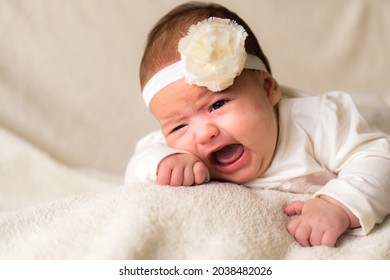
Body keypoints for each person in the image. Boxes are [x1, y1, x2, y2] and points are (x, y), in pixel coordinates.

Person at [125, 1, 390, 247]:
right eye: (178, 127)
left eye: (217, 105)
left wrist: (338, 205)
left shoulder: (319, 121)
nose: (204, 134)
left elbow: (380, 157)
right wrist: (163, 163)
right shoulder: (180, 150)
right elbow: (138, 165)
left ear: (267, 89)